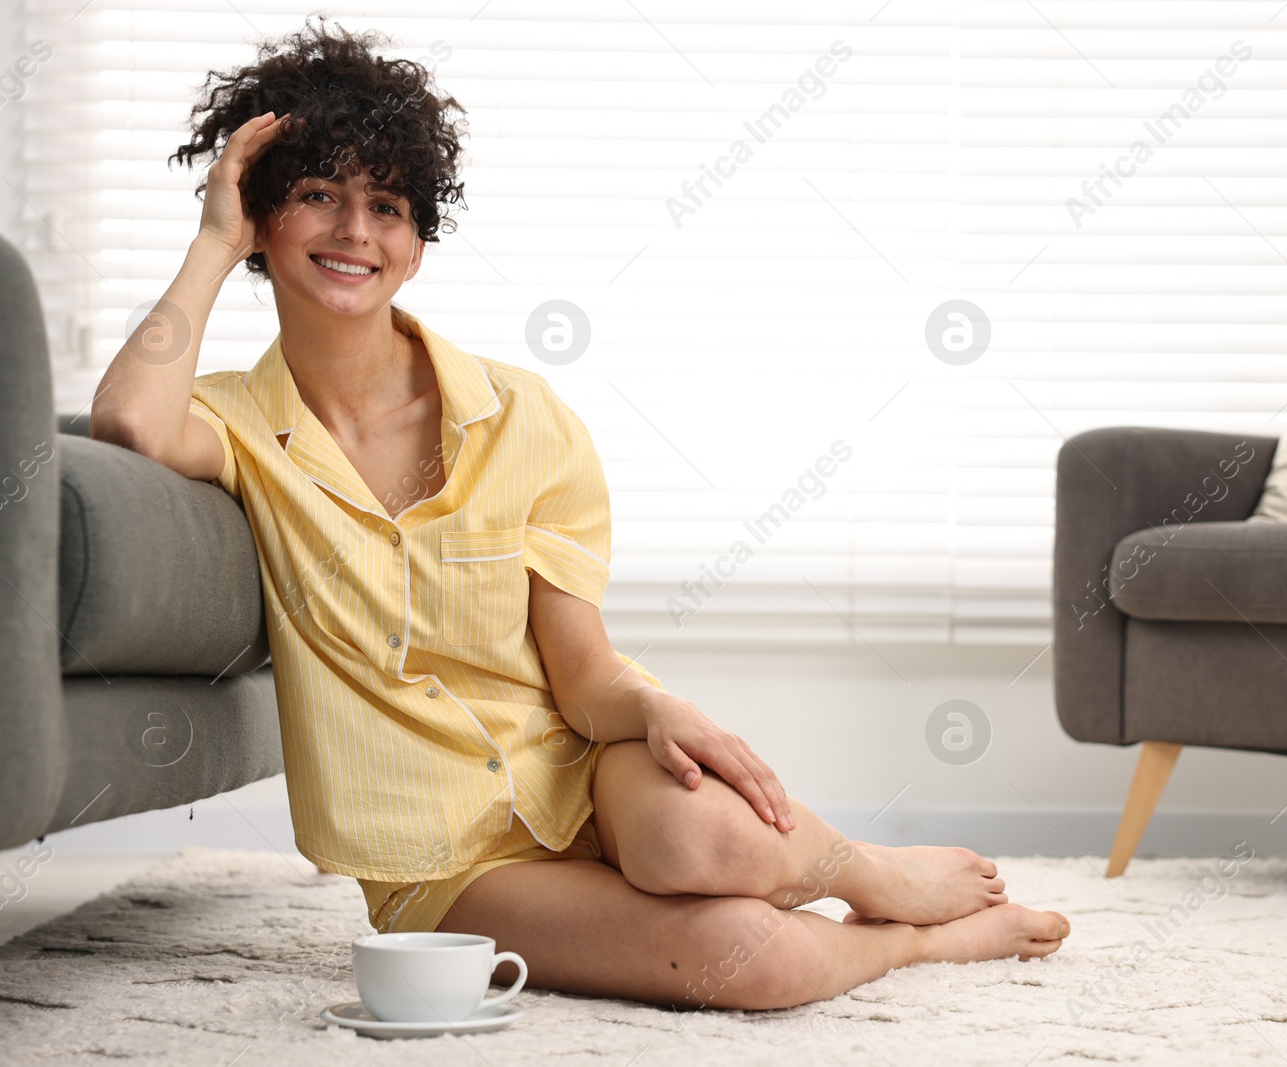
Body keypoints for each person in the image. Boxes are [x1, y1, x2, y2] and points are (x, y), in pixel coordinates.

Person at [89, 16, 1070, 1011]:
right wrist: (215, 236)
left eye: (387, 205)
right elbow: (128, 420)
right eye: (315, 196)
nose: (353, 232)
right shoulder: (238, 424)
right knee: (751, 959)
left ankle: (868, 875)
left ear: (419, 241)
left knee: (708, 835)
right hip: (446, 866)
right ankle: (914, 947)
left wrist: (650, 709)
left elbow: (582, 671)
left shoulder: (522, 418)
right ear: (266, 218)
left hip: (579, 767)